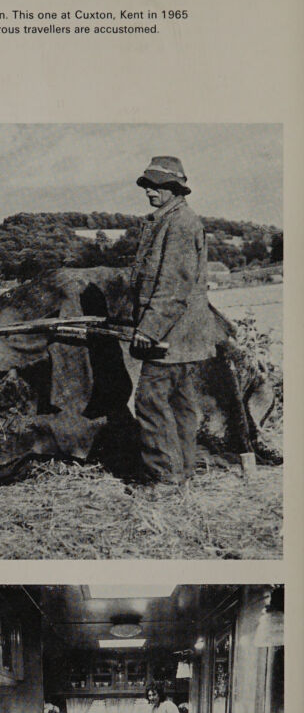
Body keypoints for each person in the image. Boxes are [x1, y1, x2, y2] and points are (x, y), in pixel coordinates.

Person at [130, 156, 215, 483]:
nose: (150, 191)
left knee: (150, 402)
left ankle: (165, 481)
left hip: (169, 337)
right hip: (179, 336)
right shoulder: (171, 220)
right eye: (147, 185)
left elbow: (173, 287)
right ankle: (183, 472)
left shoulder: (178, 224)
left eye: (157, 186)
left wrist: (149, 329)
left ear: (174, 188)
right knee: (179, 405)